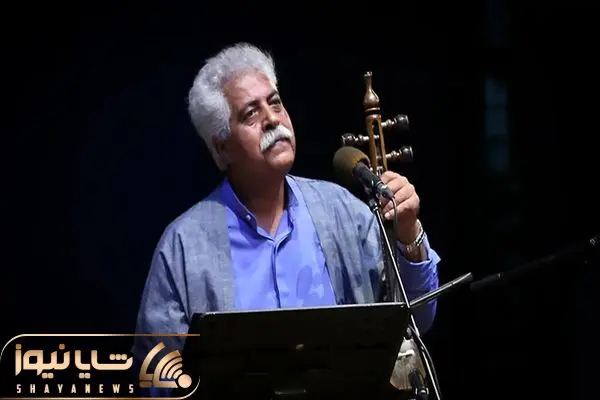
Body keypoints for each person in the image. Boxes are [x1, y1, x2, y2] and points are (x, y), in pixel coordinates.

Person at [131, 42, 441, 393]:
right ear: (221, 147)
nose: (272, 119)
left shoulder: (343, 212)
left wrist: (408, 233)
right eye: (251, 113)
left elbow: (419, 321)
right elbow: (155, 376)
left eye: (275, 103)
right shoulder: (184, 246)